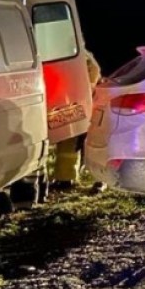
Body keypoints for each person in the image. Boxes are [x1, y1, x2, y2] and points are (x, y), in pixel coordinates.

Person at [53, 49, 106, 193]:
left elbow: (92, 78)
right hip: (72, 102)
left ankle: (99, 179)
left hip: (85, 103)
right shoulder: (71, 54)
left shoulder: (79, 55)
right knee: (67, 141)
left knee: (91, 143)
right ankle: (65, 178)